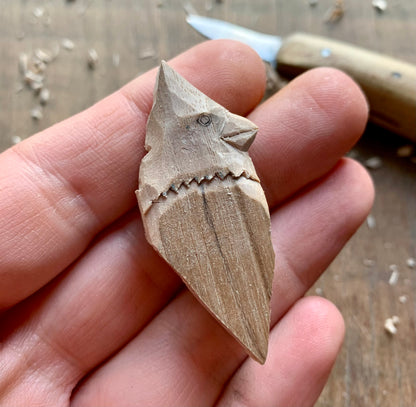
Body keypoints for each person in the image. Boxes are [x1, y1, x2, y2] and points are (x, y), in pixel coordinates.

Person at [0, 40, 373, 406]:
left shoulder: (222, 174)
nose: (241, 127)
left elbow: (247, 137)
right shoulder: (162, 184)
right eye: (207, 120)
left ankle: (253, 332)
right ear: (186, 130)